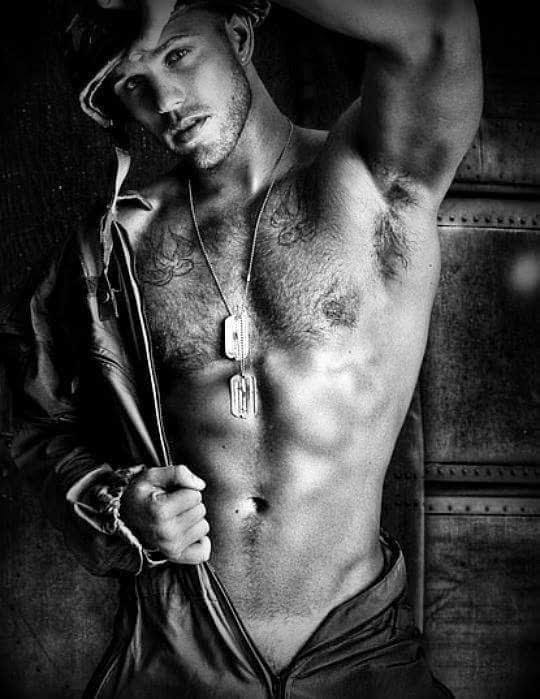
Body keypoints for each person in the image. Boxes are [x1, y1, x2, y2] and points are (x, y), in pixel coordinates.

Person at [9, 0, 482, 696]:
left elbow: (438, 26)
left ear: (237, 33)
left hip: (356, 657)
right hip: (177, 659)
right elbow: (34, 423)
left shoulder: (376, 181)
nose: (165, 101)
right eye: (134, 83)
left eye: (177, 55)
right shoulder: (116, 247)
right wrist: (115, 501)